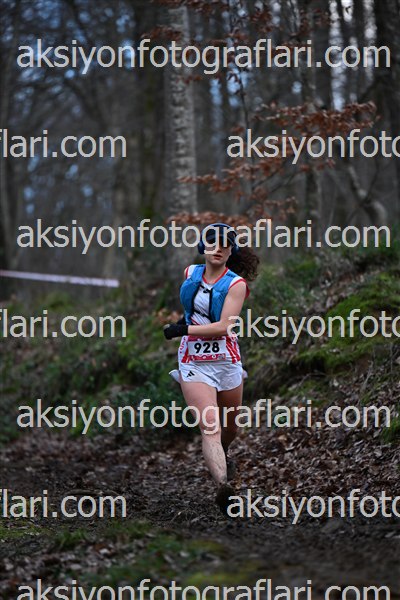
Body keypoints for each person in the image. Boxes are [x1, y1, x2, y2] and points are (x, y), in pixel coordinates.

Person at [163, 223, 259, 514]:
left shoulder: (236, 285)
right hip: (193, 362)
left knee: (230, 428)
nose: (218, 248)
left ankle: (223, 453)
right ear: (202, 246)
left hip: (226, 361)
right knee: (210, 426)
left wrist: (183, 329)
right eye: (212, 242)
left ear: (231, 251)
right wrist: (185, 325)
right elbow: (193, 309)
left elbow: (223, 327)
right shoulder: (189, 274)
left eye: (225, 244)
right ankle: (223, 487)